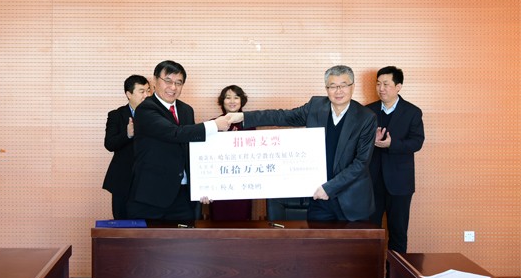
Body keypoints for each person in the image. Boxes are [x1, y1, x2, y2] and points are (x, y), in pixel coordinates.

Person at [227, 65, 377, 222]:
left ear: (352, 86)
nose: (338, 91)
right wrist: (244, 117)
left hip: (351, 201)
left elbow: (361, 163)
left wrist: (329, 188)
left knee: (353, 239)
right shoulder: (316, 106)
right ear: (326, 89)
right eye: (332, 86)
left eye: (343, 85)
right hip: (319, 199)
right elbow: (283, 116)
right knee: (316, 238)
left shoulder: (366, 118)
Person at [126, 60, 232, 221]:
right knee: (150, 238)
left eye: (178, 83)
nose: (173, 87)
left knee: (184, 238)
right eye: (168, 81)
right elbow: (174, 133)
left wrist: (204, 185)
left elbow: (192, 148)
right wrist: (214, 125)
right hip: (151, 196)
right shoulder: (146, 109)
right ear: (155, 81)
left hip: (182, 196)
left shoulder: (186, 110)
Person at [366, 66, 425, 278]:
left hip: (400, 184)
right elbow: (356, 142)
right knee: (370, 233)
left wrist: (392, 144)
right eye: (378, 83)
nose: (381, 88)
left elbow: (417, 142)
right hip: (372, 183)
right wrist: (370, 141)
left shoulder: (412, 112)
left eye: (386, 84)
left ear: (398, 86)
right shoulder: (367, 111)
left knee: (398, 233)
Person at [103, 75, 151, 219]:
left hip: (148, 181)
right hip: (123, 180)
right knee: (122, 223)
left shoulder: (155, 115)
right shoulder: (116, 115)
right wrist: (127, 134)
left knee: (147, 224)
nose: (147, 95)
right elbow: (109, 144)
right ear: (129, 94)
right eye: (142, 91)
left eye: (148, 90)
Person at [208, 85, 254, 221]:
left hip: (243, 184)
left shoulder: (249, 125)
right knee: (218, 224)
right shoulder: (213, 124)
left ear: (242, 101)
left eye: (236, 97)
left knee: (242, 224)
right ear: (222, 101)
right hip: (218, 183)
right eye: (228, 98)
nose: (232, 101)